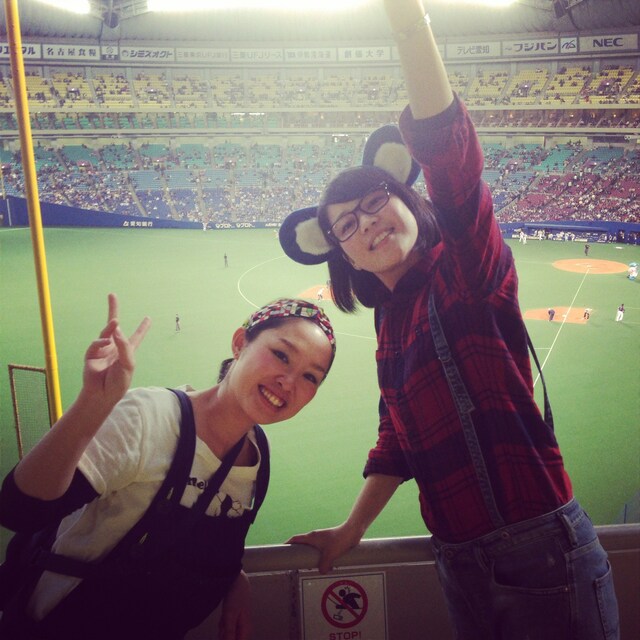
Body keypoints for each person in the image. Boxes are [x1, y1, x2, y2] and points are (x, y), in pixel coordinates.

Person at [278, 2, 619, 638]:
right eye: (346, 225)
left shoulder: (465, 270)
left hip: (539, 550)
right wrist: (353, 528)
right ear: (342, 255)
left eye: (374, 200)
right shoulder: (389, 322)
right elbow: (397, 438)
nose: (366, 222)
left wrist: (408, 24)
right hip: (458, 563)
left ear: (408, 199)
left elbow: (454, 165)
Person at [0, 294, 336, 640]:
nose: (288, 382)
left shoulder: (256, 454)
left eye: (310, 377)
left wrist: (232, 577)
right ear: (240, 343)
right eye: (281, 355)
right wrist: (92, 404)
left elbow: (191, 539)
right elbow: (19, 510)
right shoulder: (151, 419)